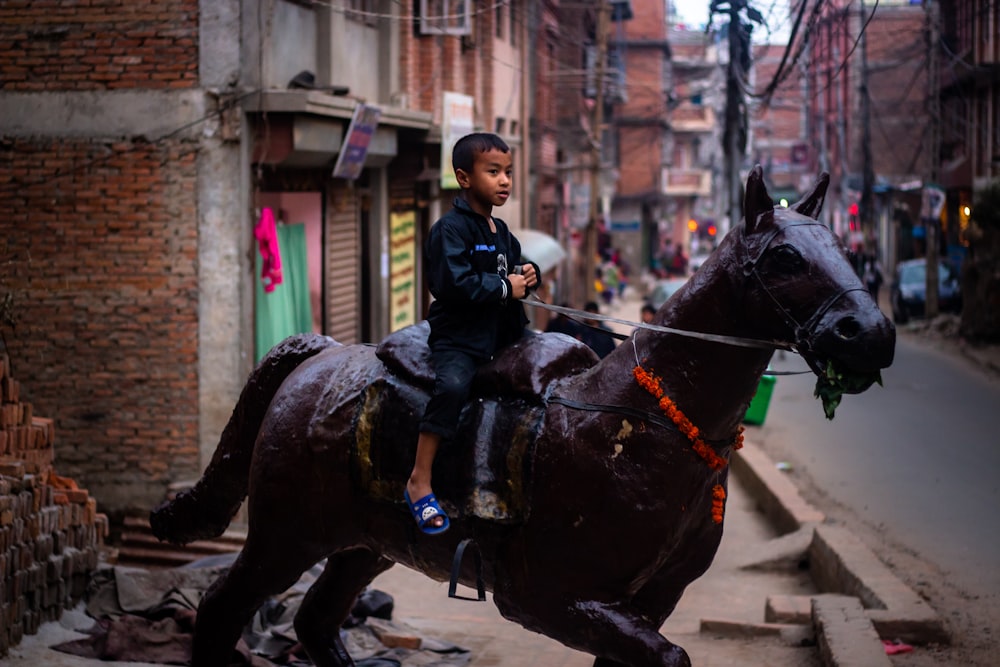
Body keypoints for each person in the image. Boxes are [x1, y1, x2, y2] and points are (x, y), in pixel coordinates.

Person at [405, 132, 540, 535]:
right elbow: (453, 284)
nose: (504, 181)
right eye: (493, 172)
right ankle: (420, 480)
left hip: (503, 336)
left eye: (508, 172)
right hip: (460, 339)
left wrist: (529, 276)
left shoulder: (500, 231)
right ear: (464, 178)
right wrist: (504, 288)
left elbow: (514, 269)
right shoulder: (449, 230)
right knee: (451, 388)